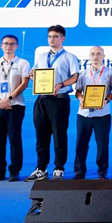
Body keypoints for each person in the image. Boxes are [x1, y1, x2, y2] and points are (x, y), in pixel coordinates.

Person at [25, 25, 80, 182]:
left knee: (59, 134)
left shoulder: (69, 57)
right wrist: (32, 76)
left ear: (63, 38)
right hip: (41, 99)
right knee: (41, 135)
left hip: (59, 99)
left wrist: (60, 85)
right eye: (49, 36)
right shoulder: (41, 56)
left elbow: (75, 77)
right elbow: (34, 73)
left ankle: (59, 168)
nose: (51, 39)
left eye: (55, 36)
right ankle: (41, 168)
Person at [0, 35, 31, 182]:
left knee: (14, 139)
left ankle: (14, 171)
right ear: (1, 46)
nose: (8, 46)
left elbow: (24, 83)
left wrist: (8, 99)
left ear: (17, 46)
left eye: (11, 44)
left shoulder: (23, 63)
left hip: (15, 106)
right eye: (5, 43)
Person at [74, 47, 112, 180]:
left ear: (104, 56)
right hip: (84, 114)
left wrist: (106, 100)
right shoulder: (83, 73)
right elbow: (78, 91)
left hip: (102, 114)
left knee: (102, 145)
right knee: (81, 144)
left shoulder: (110, 73)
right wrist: (81, 99)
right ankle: (79, 172)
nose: (95, 57)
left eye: (98, 54)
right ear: (89, 56)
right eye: (92, 54)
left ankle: (102, 172)